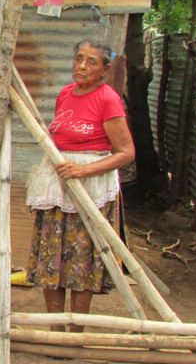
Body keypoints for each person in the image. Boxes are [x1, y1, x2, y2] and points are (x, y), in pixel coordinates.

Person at [25, 39, 135, 333]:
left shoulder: (108, 98)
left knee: (82, 262)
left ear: (105, 69)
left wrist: (83, 170)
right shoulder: (65, 94)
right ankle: (55, 331)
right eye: (78, 59)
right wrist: (66, 170)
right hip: (58, 189)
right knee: (52, 259)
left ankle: (75, 335)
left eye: (92, 62)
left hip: (90, 191)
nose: (82, 66)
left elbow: (126, 153)